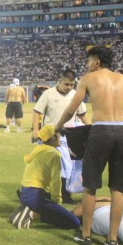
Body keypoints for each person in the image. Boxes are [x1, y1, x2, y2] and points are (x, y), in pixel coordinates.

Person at [55, 45, 123, 245]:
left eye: (89, 61)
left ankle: (86, 236)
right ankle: (112, 239)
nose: (87, 65)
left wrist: (57, 125)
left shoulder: (89, 79)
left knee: (90, 186)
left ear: (97, 62)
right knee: (118, 189)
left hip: (100, 132)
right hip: (122, 134)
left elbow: (72, 109)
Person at [32, 70, 91, 203]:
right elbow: (37, 111)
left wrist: (92, 128)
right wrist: (35, 129)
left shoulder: (76, 95)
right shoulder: (48, 94)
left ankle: (65, 194)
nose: (69, 87)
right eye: (66, 84)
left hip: (69, 136)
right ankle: (44, 193)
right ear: (60, 80)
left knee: (68, 167)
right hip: (50, 136)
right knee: (48, 167)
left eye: (71, 85)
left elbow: (82, 114)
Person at [9, 125, 81, 230]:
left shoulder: (38, 149)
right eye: (58, 135)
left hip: (25, 195)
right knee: (74, 222)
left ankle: (25, 212)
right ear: (52, 138)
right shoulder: (55, 154)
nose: (60, 137)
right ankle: (31, 214)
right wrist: (57, 201)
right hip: (36, 197)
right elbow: (56, 181)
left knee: (57, 213)